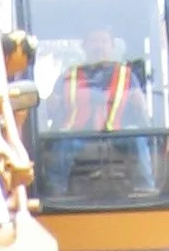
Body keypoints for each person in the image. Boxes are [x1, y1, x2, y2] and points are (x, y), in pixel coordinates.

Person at [42, 27, 153, 196]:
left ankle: (146, 186)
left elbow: (142, 114)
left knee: (137, 138)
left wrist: (141, 104)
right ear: (84, 46)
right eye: (94, 41)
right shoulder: (68, 76)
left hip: (116, 133)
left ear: (111, 46)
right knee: (62, 142)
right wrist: (51, 104)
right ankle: (56, 190)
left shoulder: (127, 76)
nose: (99, 46)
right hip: (77, 134)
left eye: (103, 41)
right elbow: (51, 110)